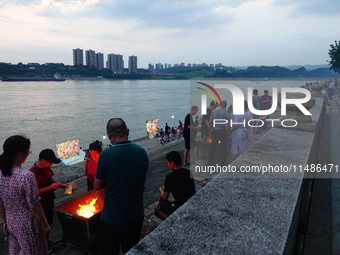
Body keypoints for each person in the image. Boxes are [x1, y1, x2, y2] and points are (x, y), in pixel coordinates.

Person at [94, 118, 148, 255]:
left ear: (108, 135)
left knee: (110, 250)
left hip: (113, 216)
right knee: (131, 248)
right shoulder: (141, 152)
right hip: (136, 213)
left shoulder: (106, 155)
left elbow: (97, 185)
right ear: (128, 131)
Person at [0, 135, 50, 255]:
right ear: (20, 153)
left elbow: (0, 202)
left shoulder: (1, 174)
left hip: (11, 222)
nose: (29, 153)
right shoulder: (26, 176)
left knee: (16, 250)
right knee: (32, 251)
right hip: (27, 225)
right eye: (28, 150)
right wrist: (45, 225)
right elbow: (34, 206)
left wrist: (5, 221)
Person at [29, 148, 68, 252]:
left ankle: (47, 242)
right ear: (43, 161)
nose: (51, 165)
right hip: (40, 205)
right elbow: (35, 191)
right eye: (50, 162)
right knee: (41, 226)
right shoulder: (32, 173)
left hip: (49, 201)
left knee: (49, 223)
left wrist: (61, 185)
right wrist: (51, 187)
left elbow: (50, 178)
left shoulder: (47, 168)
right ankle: (42, 247)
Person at [155, 151, 196, 220]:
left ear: (172, 163)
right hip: (192, 203)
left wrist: (161, 190)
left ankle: (172, 222)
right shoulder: (189, 172)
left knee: (157, 206)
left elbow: (164, 197)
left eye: (167, 163)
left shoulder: (169, 177)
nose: (167, 165)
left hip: (181, 206)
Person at [207, 100, 230, 166]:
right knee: (223, 147)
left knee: (213, 147)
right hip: (223, 131)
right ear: (225, 106)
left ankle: (210, 162)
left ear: (220, 104)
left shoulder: (214, 111)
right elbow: (228, 125)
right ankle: (223, 163)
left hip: (215, 131)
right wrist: (228, 133)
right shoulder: (226, 113)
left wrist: (210, 129)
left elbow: (210, 122)